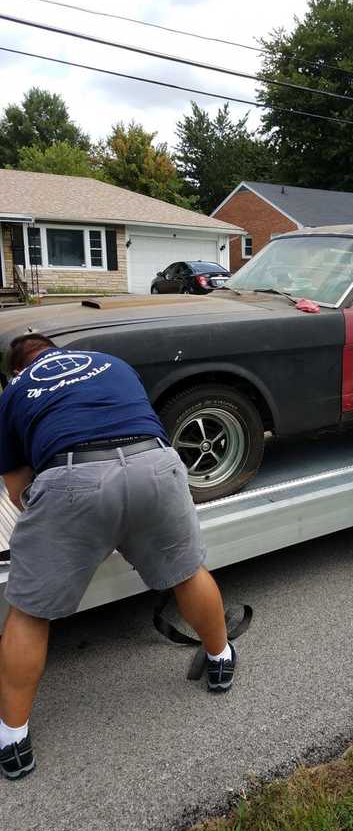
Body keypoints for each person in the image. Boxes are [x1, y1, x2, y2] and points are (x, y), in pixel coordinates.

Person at [0, 334, 237, 782]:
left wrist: (75, 522)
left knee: (29, 612)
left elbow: (18, 491)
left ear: (18, 369)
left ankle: (12, 741)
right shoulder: (110, 362)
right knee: (187, 573)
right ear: (63, 351)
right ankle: (221, 658)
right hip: (156, 464)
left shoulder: (15, 391)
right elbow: (142, 420)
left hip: (73, 477)